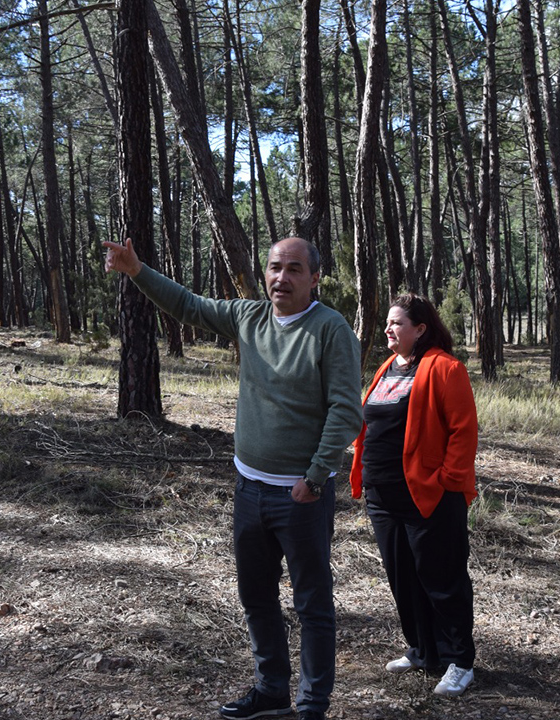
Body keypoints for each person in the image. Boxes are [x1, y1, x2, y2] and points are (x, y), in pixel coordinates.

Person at [103, 236, 363, 720]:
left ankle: (311, 706)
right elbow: (187, 306)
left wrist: (315, 476)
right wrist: (137, 270)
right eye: (274, 268)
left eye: (293, 269)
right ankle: (270, 692)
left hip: (300, 496)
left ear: (314, 278)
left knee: (312, 604)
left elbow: (347, 411)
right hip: (248, 490)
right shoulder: (250, 317)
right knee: (257, 597)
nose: (280, 278)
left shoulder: (330, 329)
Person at [347, 295, 478, 698]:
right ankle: (423, 650)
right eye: (387, 323)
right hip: (383, 494)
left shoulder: (445, 368)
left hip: (428, 495)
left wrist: (445, 480)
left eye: (397, 323)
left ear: (420, 329)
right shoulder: (387, 369)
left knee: (442, 577)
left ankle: (459, 661)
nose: (389, 329)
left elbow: (463, 430)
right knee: (402, 576)